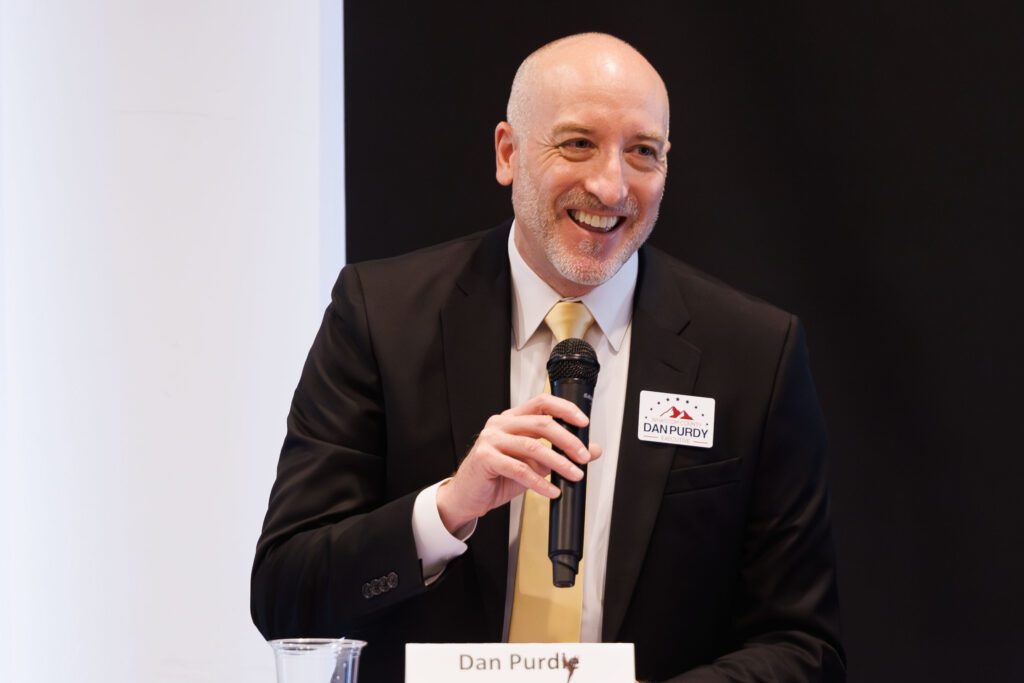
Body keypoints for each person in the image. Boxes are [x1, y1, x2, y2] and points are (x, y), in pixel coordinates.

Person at [251, 33, 845, 682]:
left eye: (643, 152)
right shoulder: (381, 317)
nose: (612, 185)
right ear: (508, 153)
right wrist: (447, 509)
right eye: (578, 143)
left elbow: (803, 647)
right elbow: (285, 594)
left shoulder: (753, 353)